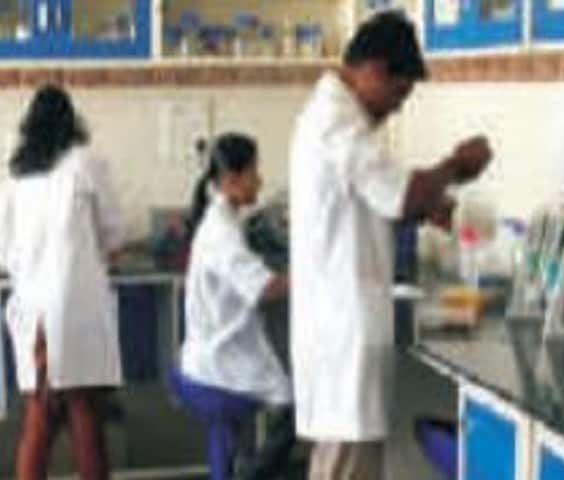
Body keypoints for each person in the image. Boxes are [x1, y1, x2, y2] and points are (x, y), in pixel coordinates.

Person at [289, 10, 493, 480]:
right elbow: (402, 196)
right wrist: (455, 166)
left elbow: (379, 198)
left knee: (344, 463)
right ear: (374, 70)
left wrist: (426, 205)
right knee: (345, 466)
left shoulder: (338, 118)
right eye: (399, 94)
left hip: (342, 327)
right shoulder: (338, 123)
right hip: (343, 332)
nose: (397, 109)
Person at [0, 85, 125, 480]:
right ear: (72, 122)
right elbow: (114, 234)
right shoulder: (87, 163)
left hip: (32, 310)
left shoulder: (16, 178)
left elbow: (1, 247)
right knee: (85, 413)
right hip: (75, 306)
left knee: (39, 415)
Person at [170, 133, 295, 480]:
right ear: (231, 179)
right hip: (219, 368)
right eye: (254, 172)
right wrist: (312, 275)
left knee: (282, 395)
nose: (260, 181)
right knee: (295, 410)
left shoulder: (223, 222)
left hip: (213, 358)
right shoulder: (221, 232)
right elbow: (265, 288)